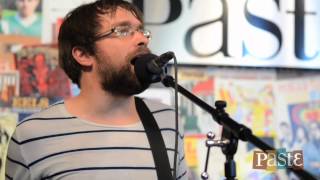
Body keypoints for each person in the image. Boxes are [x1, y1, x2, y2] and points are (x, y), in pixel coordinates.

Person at [5, 0, 187, 179]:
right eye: (123, 31)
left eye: (142, 31)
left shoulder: (168, 121)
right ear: (83, 55)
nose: (142, 39)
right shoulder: (32, 135)